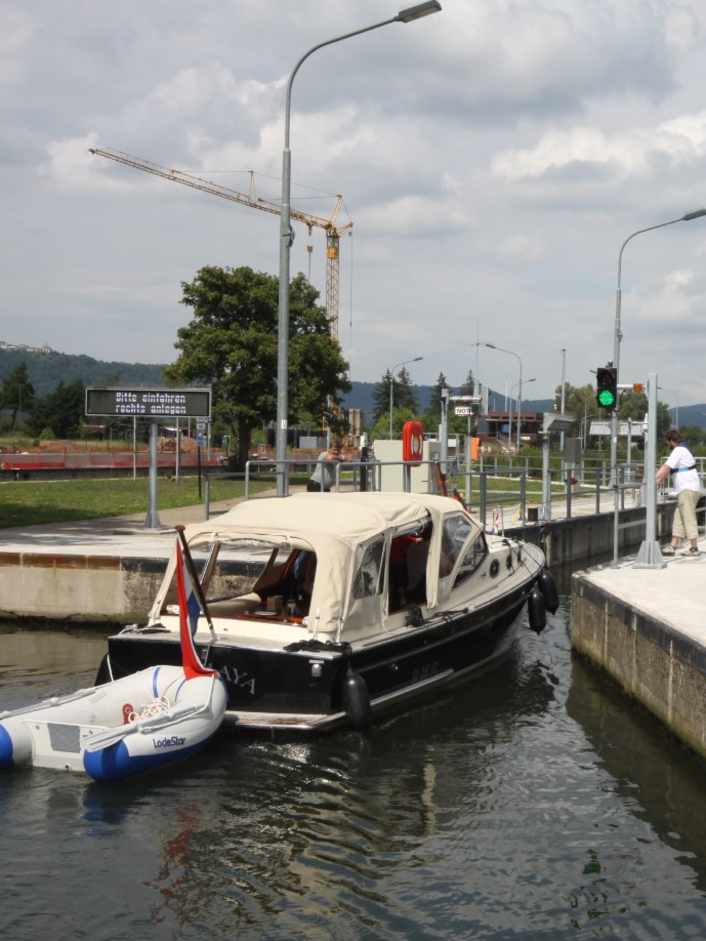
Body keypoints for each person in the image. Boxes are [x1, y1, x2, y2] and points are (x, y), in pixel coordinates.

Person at [655, 430, 701, 556]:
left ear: (671, 441)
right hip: (687, 489)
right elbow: (668, 471)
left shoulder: (678, 450)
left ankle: (694, 548)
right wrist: (659, 479)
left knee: (688, 517)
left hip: (687, 489)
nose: (667, 445)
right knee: (678, 517)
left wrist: (653, 479)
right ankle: (673, 545)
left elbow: (666, 467)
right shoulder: (683, 450)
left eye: (667, 442)